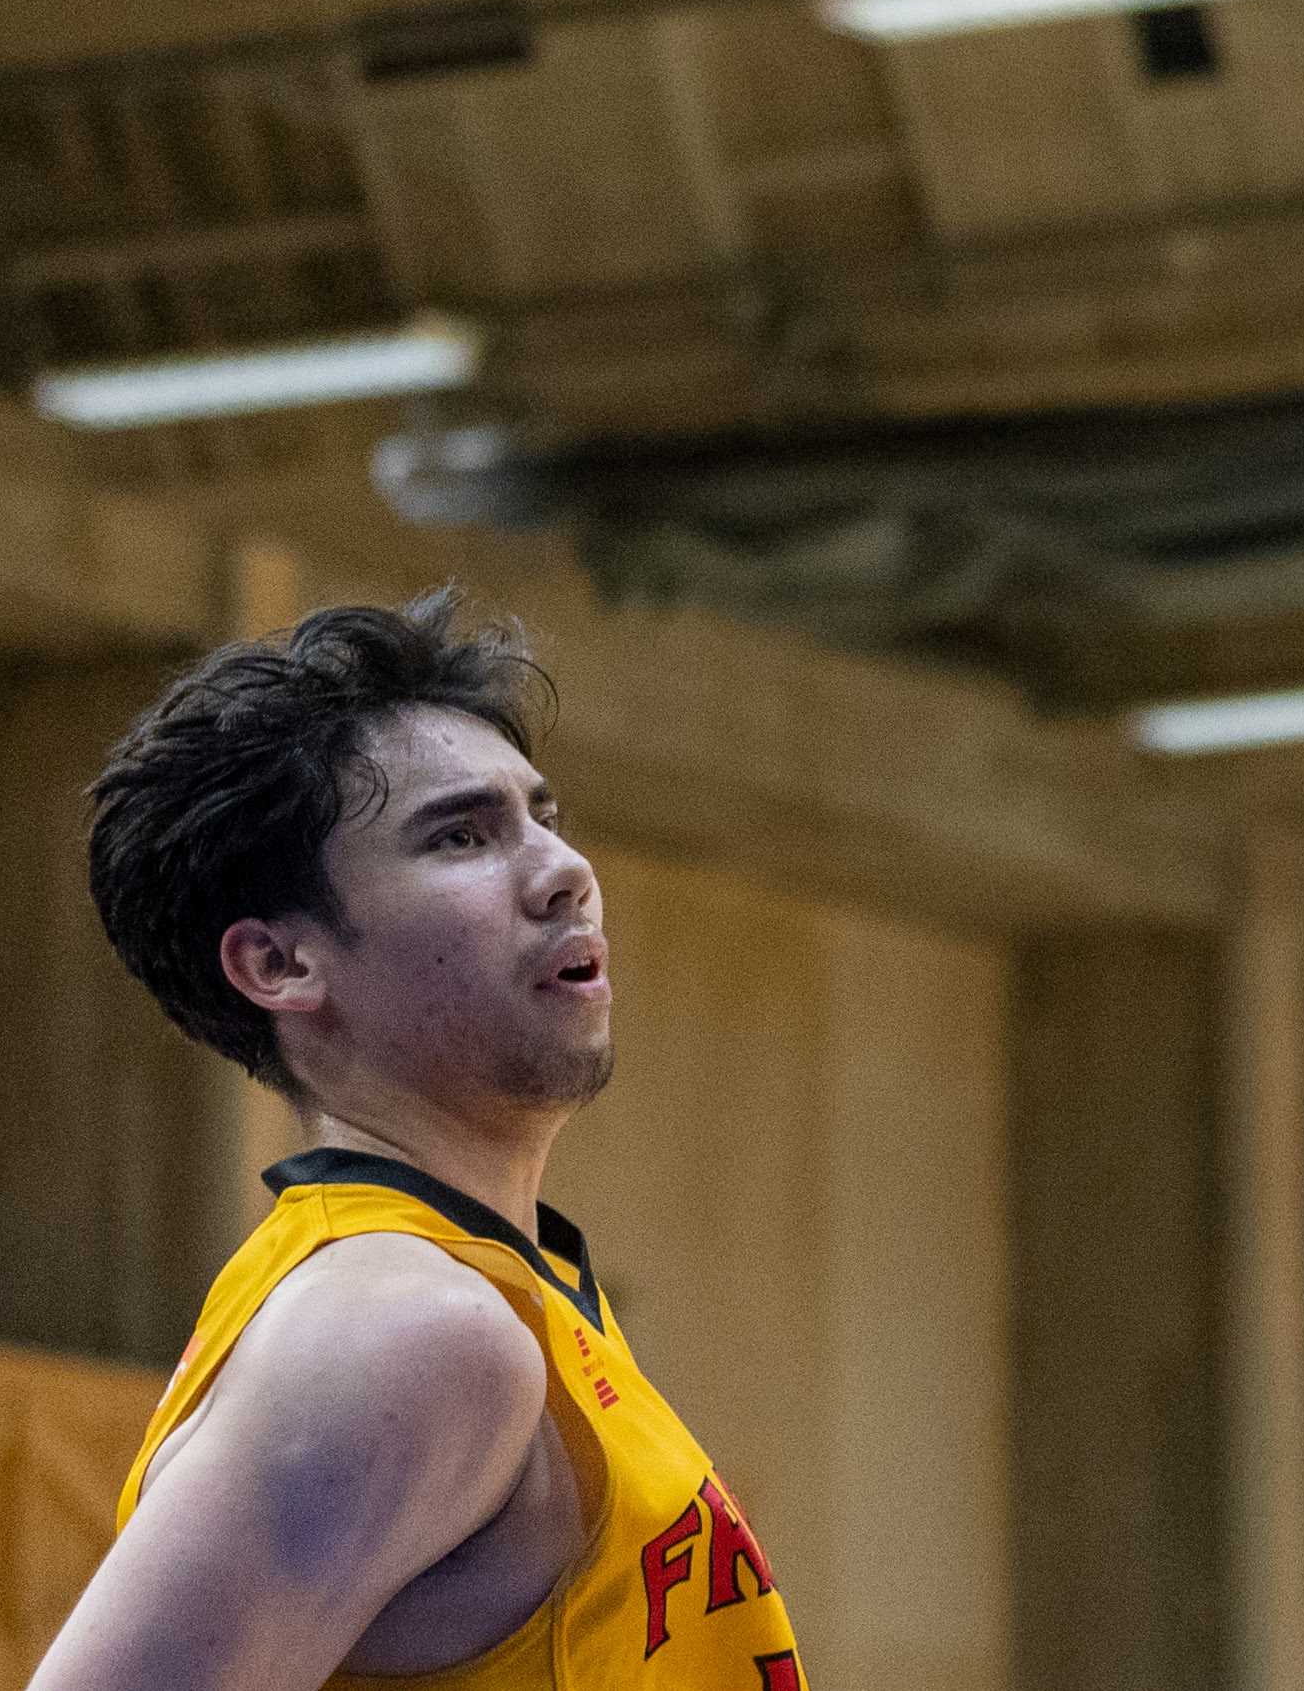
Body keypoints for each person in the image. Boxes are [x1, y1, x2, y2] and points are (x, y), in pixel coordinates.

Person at [40, 593, 800, 1691]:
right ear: (280, 965)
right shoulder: (404, 1328)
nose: (563, 868)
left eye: (543, 813)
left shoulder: (501, 1297)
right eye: (460, 834)